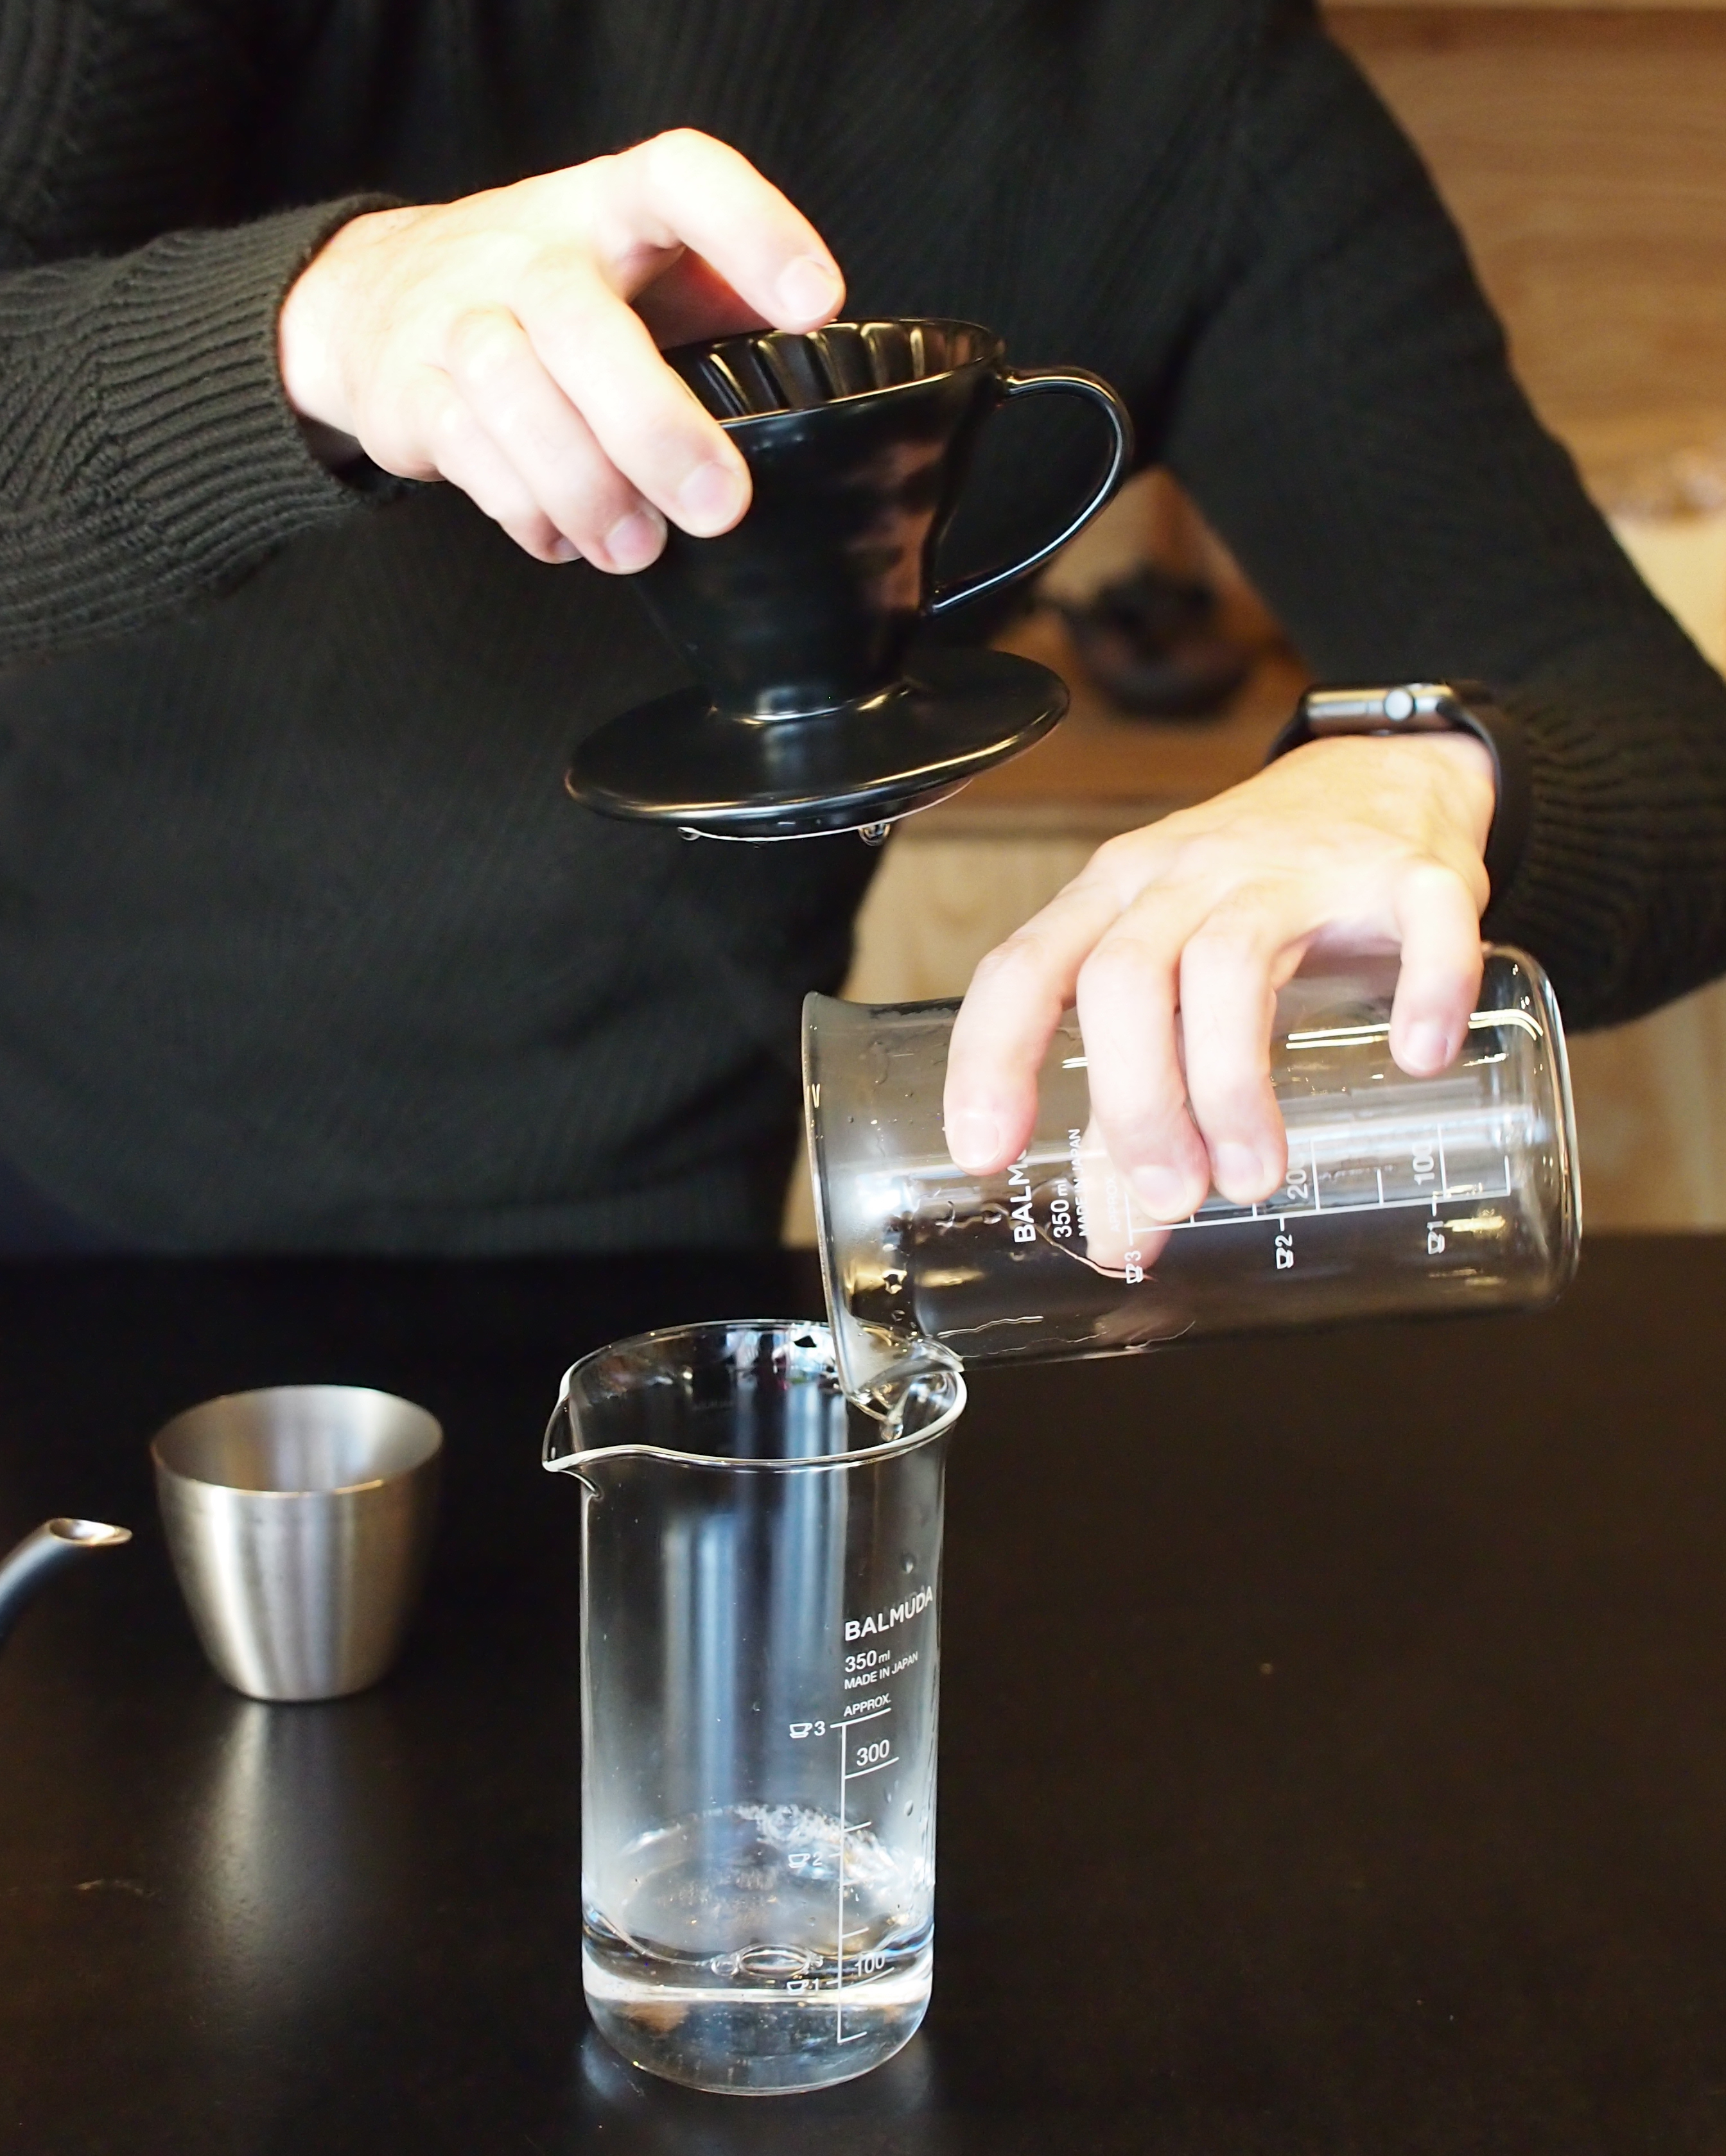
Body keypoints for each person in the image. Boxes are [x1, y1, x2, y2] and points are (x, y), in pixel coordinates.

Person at [3, 0, 1723, 1253]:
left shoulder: (1194, 96)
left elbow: (1666, 752)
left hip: (631, 1267)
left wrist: (1429, 775)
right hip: (45, 1219)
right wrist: (319, 322)